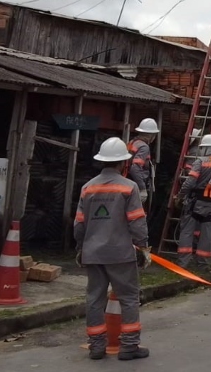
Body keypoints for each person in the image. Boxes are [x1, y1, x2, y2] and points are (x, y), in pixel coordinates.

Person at [74, 137, 151, 361]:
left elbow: (79, 224)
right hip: (120, 254)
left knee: (94, 299)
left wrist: (80, 248)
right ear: (123, 163)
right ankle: (128, 346)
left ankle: (97, 346)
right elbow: (137, 222)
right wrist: (143, 247)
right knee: (128, 298)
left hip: (93, 253)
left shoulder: (87, 188)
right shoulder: (129, 187)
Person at [175, 134, 211, 269]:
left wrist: (180, 196)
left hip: (195, 202)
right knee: (207, 234)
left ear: (206, 148)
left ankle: (183, 263)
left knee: (187, 231)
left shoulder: (200, 162)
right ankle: (203, 264)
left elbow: (189, 183)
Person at [123, 118, 160, 210]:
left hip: (127, 181)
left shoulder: (132, 142)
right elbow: (135, 168)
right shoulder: (144, 147)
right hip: (135, 185)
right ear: (151, 135)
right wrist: (142, 188)